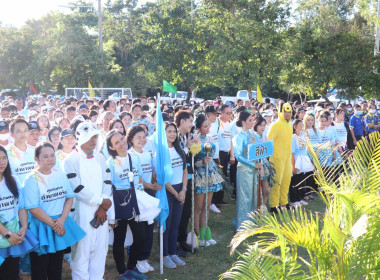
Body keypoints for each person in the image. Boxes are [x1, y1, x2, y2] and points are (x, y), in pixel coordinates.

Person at [23, 142, 85, 280]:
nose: (50, 159)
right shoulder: (31, 179)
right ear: (36, 159)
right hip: (41, 228)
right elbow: (33, 208)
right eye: (45, 156)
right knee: (40, 269)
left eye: (52, 155)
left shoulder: (60, 174)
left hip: (59, 224)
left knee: (56, 268)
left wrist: (62, 220)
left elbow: (69, 197)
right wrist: (55, 225)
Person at [63, 123, 112, 280]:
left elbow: (107, 182)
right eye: (90, 137)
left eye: (96, 137)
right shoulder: (71, 160)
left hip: (101, 211)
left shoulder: (100, 158)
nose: (94, 140)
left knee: (100, 249)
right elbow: (76, 188)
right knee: (81, 252)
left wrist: (103, 207)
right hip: (81, 212)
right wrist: (100, 202)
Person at [106, 129, 153, 280]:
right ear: (111, 147)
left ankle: (131, 267)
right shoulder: (110, 162)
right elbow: (108, 187)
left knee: (140, 237)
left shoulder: (134, 157)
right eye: (116, 142)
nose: (121, 144)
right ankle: (122, 272)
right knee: (119, 240)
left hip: (133, 202)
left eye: (121, 139)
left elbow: (139, 179)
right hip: (118, 204)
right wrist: (111, 215)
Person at [0, 145, 38, 280]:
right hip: (5, 236)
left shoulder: (13, 180)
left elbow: (21, 206)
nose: (2, 162)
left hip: (13, 238)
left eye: (4, 158)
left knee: (11, 274)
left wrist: (23, 226)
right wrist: (7, 234)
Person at [127, 126, 161, 274]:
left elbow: (151, 173)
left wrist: (155, 181)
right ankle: (137, 258)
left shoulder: (148, 153)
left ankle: (144, 257)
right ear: (131, 140)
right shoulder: (129, 155)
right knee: (139, 229)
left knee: (149, 226)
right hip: (138, 194)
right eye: (138, 137)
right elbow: (137, 180)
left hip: (150, 192)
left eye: (144, 136)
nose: (142, 140)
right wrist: (151, 186)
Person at [193, 114, 222, 246]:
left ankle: (205, 233)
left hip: (211, 174)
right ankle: (197, 235)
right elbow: (193, 162)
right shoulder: (195, 140)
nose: (208, 128)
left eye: (208, 125)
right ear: (198, 128)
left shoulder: (210, 138)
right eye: (205, 126)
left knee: (206, 206)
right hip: (200, 175)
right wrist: (202, 162)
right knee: (198, 207)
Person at [163, 122, 188, 269]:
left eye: (174, 131)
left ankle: (173, 253)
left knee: (175, 224)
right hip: (168, 191)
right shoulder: (161, 152)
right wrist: (175, 193)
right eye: (169, 131)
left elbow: (185, 170)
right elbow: (163, 178)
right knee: (166, 224)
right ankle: (164, 255)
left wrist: (183, 190)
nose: (172, 134)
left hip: (180, 189)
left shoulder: (179, 149)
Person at [232, 111, 263, 230]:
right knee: (245, 197)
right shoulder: (238, 138)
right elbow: (239, 157)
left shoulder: (253, 135)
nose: (252, 123)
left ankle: (252, 222)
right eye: (250, 120)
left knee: (255, 196)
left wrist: (259, 166)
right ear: (243, 122)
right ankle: (242, 225)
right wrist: (253, 165)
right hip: (244, 170)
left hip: (254, 170)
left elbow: (259, 151)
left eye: (252, 120)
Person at [175, 110, 196, 256]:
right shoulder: (173, 136)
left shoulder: (186, 137)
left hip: (186, 178)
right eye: (190, 121)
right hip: (176, 181)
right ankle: (174, 242)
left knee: (186, 211)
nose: (192, 125)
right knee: (178, 213)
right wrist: (187, 148)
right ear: (182, 121)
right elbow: (177, 157)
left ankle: (182, 240)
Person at [267, 103, 293, 213]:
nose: (287, 114)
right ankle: (273, 205)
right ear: (281, 112)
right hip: (277, 159)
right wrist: (273, 155)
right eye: (285, 112)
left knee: (286, 181)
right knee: (277, 183)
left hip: (287, 158)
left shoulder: (290, 124)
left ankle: (284, 202)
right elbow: (269, 140)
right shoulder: (276, 125)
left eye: (289, 112)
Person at [290, 120, 315, 207]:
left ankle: (299, 198)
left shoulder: (304, 136)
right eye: (299, 126)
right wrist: (293, 166)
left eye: (302, 126)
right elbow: (292, 152)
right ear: (295, 127)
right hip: (297, 160)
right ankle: (294, 199)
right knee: (295, 181)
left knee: (302, 180)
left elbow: (307, 149)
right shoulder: (293, 137)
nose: (301, 128)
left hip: (304, 159)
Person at [213, 104, 235, 208]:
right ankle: (214, 200)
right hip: (219, 154)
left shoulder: (229, 124)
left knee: (224, 176)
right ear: (221, 113)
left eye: (231, 112)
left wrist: (231, 155)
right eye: (228, 113)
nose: (230, 115)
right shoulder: (216, 123)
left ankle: (220, 199)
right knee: (218, 177)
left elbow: (230, 140)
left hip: (226, 154)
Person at [252, 116, 272, 208]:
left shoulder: (265, 135)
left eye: (264, 125)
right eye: (260, 125)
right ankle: (256, 208)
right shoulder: (252, 135)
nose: (262, 127)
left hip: (264, 164)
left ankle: (262, 206)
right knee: (256, 190)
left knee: (267, 190)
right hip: (255, 164)